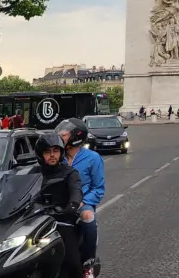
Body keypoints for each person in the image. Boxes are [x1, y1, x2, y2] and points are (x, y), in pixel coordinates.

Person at [56, 117, 105, 278]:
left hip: (82, 203)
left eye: (63, 135)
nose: (59, 137)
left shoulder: (93, 158)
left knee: (88, 217)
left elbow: (98, 188)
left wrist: (83, 202)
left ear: (75, 136)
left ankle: (88, 262)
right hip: (58, 201)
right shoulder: (57, 157)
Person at [35, 133, 84, 278]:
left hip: (61, 219)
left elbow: (76, 190)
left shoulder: (70, 173)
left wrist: (73, 204)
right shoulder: (33, 173)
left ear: (61, 152)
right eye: (47, 152)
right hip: (35, 221)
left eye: (55, 151)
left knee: (73, 264)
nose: (52, 155)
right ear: (40, 154)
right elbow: (16, 191)